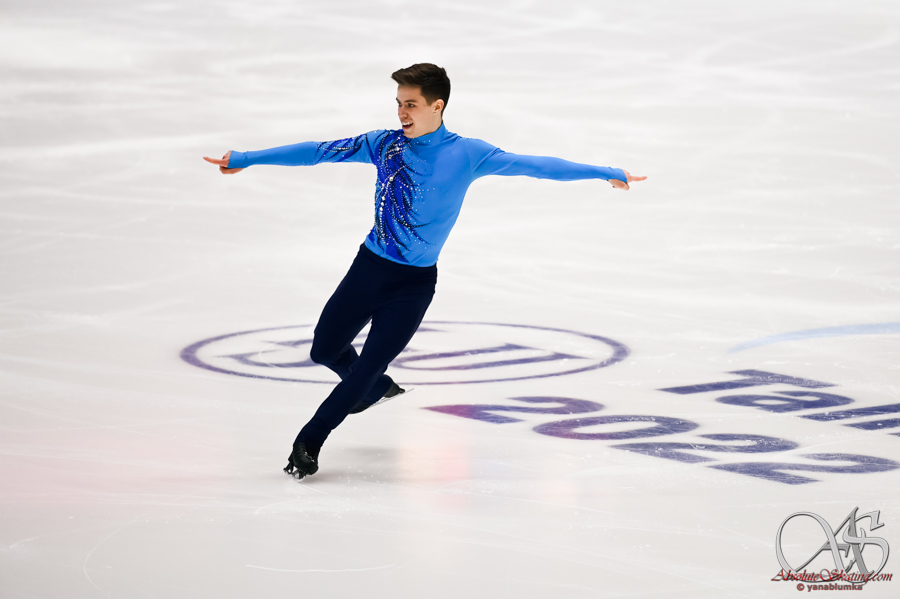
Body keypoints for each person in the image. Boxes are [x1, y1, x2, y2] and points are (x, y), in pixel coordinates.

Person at [203, 63, 646, 480]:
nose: (402, 113)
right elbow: (317, 152)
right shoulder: (384, 145)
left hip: (413, 286)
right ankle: (374, 390)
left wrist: (603, 172)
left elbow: (537, 166)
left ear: (437, 106)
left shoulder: (469, 154)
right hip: (368, 269)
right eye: (399, 103)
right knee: (324, 351)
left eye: (411, 104)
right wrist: (247, 157)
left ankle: (309, 441)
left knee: (367, 367)